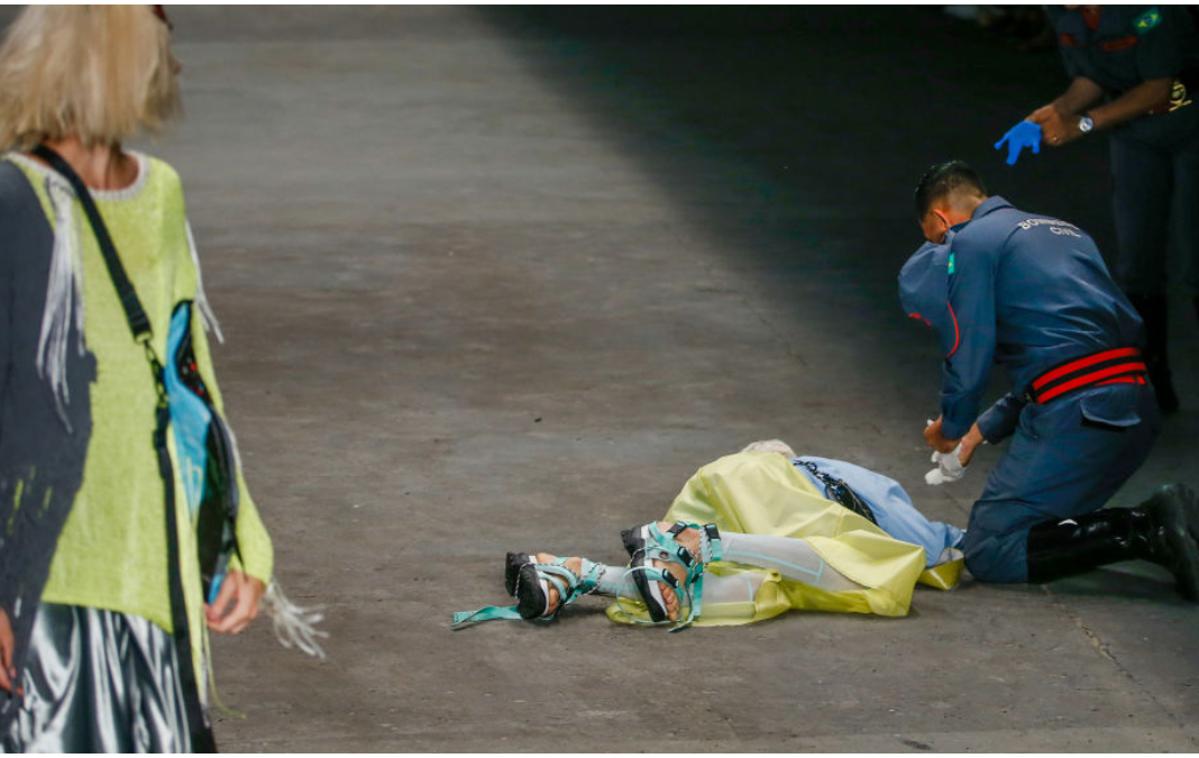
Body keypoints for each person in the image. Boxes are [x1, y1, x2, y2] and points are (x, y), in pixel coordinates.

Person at [0, 7, 322, 752]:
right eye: (155, 41)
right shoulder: (14, 199)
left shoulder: (160, 191)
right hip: (48, 572)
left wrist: (241, 542)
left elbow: (188, 380)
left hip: (155, 565)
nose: (171, 60)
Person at [900, 160, 1199, 598]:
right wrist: (977, 433)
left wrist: (951, 424)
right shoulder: (1062, 231)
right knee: (1036, 531)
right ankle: (1176, 528)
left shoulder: (969, 243)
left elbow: (969, 351)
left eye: (937, 239)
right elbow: (1069, 358)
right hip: (1133, 404)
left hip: (1079, 416)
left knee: (991, 549)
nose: (942, 253)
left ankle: (1146, 527)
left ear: (943, 220)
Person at [453, 442, 966, 630]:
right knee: (880, 574)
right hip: (753, 489)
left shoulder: (741, 477)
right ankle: (704, 542)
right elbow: (927, 545)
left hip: (715, 490)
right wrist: (962, 544)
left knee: (760, 591)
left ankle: (572, 573)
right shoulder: (811, 472)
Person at [1023, 6, 1199, 413]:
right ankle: (1153, 386)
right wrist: (1062, 108)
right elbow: (1093, 75)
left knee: (1196, 262)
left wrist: (1083, 123)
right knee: (1137, 263)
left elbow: (1160, 85)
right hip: (1134, 134)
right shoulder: (1062, 12)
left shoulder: (1147, 11)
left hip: (1189, 121)